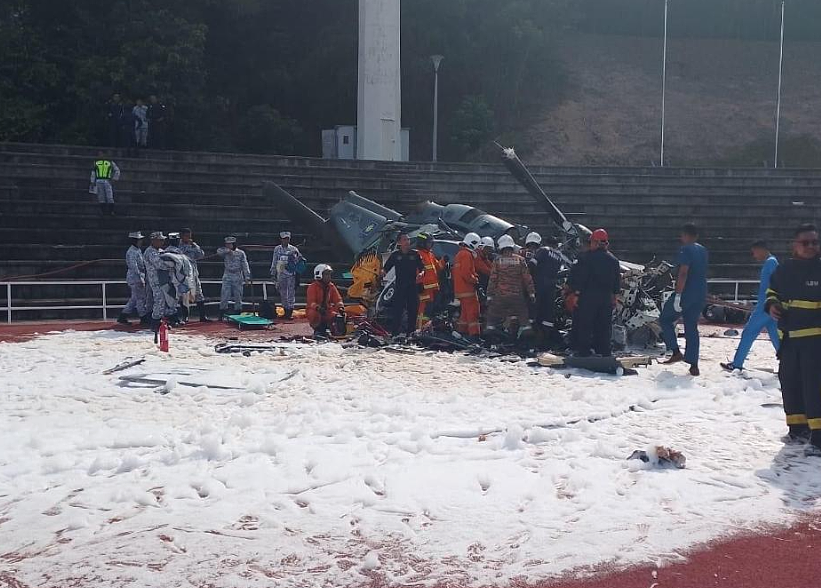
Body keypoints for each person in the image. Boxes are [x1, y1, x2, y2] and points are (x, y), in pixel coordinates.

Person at [765, 223, 821, 455]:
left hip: (816, 340)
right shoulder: (784, 270)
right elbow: (772, 292)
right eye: (805, 242)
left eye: (814, 242)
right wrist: (772, 305)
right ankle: (797, 428)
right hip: (790, 340)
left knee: (814, 388)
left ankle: (818, 438)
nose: (810, 247)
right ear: (794, 245)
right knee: (791, 383)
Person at [721, 240, 780, 371]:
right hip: (768, 305)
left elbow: (776, 284)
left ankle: (737, 364)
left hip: (765, 306)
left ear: (761, 249)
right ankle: (789, 364)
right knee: (776, 337)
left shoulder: (771, 263)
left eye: (754, 252)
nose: (754, 256)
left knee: (748, 333)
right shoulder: (771, 262)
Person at [660, 223, 709, 376]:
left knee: (665, 319)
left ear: (685, 235)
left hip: (686, 292)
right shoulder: (703, 250)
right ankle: (693, 364)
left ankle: (675, 350)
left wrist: (678, 295)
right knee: (691, 327)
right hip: (700, 292)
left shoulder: (686, 250)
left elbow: (683, 273)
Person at [569, 229, 621, 357]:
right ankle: (603, 351)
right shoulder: (613, 260)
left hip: (588, 297)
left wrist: (576, 294)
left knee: (585, 325)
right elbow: (616, 281)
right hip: (605, 298)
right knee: (603, 326)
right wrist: (614, 297)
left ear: (596, 243)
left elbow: (581, 278)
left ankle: (584, 351)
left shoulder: (586, 258)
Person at [486, 234, 535, 338]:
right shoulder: (520, 260)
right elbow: (527, 278)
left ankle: (491, 338)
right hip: (517, 296)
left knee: (492, 318)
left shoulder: (497, 261)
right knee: (523, 318)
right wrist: (531, 293)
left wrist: (489, 296)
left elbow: (493, 279)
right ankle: (525, 340)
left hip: (501, 296)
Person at [382, 233, 424, 337]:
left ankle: (411, 333)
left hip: (412, 286)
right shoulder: (395, 255)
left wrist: (421, 274)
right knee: (397, 310)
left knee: (413, 310)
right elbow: (386, 268)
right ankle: (395, 333)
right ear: (399, 242)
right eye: (405, 240)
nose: (407, 242)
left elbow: (422, 268)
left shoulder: (415, 254)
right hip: (400, 286)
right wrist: (382, 272)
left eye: (408, 240)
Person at [530, 235, 565, 339]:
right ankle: (546, 339)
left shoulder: (543, 250)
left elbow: (532, 264)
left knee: (534, 311)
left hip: (539, 284)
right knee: (547, 313)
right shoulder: (559, 256)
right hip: (551, 287)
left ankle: (532, 338)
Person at [452, 233, 483, 337]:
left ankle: (462, 333)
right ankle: (474, 335)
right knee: (473, 313)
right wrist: (475, 281)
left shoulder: (459, 254)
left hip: (461, 290)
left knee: (465, 314)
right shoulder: (466, 255)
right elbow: (466, 273)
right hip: (468, 290)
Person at [270, 231, 303, 320]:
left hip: (291, 273)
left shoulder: (293, 249)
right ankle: (285, 310)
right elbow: (274, 260)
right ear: (281, 239)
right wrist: (273, 273)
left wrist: (295, 259)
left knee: (291, 293)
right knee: (283, 292)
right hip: (281, 272)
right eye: (284, 239)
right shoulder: (277, 249)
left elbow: (299, 261)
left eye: (287, 239)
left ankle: (290, 311)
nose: (286, 241)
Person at [179, 228, 210, 322]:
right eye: (186, 236)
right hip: (184, 273)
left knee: (199, 293)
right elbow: (180, 253)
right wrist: (189, 246)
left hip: (194, 273)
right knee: (184, 295)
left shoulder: (193, 245)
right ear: (182, 236)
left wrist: (194, 246)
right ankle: (185, 316)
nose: (188, 238)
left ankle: (202, 316)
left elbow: (201, 255)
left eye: (189, 236)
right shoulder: (178, 245)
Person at [415, 232, 444, 329]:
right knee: (422, 312)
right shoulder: (418, 255)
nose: (430, 245)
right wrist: (418, 284)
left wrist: (444, 261)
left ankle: (425, 329)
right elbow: (416, 271)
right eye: (428, 243)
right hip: (423, 289)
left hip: (431, 290)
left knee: (428, 311)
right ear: (422, 243)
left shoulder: (430, 254)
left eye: (431, 243)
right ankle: (418, 330)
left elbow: (438, 267)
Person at [218, 236, 251, 319]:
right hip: (227, 274)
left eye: (230, 244)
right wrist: (227, 251)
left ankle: (238, 312)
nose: (228, 246)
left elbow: (245, 265)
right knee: (225, 295)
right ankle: (222, 312)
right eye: (227, 244)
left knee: (238, 295)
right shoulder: (224, 252)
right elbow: (218, 252)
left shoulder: (241, 253)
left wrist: (247, 277)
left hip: (237, 275)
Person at [118, 232, 148, 326]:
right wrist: (140, 278)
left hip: (139, 276)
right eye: (139, 240)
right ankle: (143, 317)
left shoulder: (137, 250)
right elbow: (134, 266)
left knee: (134, 299)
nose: (141, 241)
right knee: (140, 298)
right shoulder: (132, 252)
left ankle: (123, 316)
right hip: (135, 278)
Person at [307, 264, 344, 337]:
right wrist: (318, 308)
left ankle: (334, 330)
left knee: (338, 317)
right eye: (326, 274)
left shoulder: (331, 286)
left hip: (327, 310)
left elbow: (338, 299)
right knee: (313, 313)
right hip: (317, 311)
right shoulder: (312, 287)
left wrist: (341, 308)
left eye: (329, 274)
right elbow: (311, 302)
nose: (329, 277)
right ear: (319, 275)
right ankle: (318, 329)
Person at [143, 231, 168, 331]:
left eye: (163, 240)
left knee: (162, 301)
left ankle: (159, 321)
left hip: (162, 280)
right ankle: (155, 322)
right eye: (160, 240)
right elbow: (160, 265)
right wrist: (171, 264)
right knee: (159, 300)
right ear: (153, 241)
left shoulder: (159, 251)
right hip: (155, 280)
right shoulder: (150, 252)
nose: (162, 242)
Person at [90, 152, 120, 216]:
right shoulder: (96, 163)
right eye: (99, 154)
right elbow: (93, 173)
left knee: (109, 197)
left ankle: (110, 211)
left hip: (107, 181)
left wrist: (114, 179)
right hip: (99, 180)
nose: (101, 156)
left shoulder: (110, 162)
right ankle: (103, 212)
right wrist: (92, 181)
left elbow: (117, 170)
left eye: (102, 154)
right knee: (101, 197)